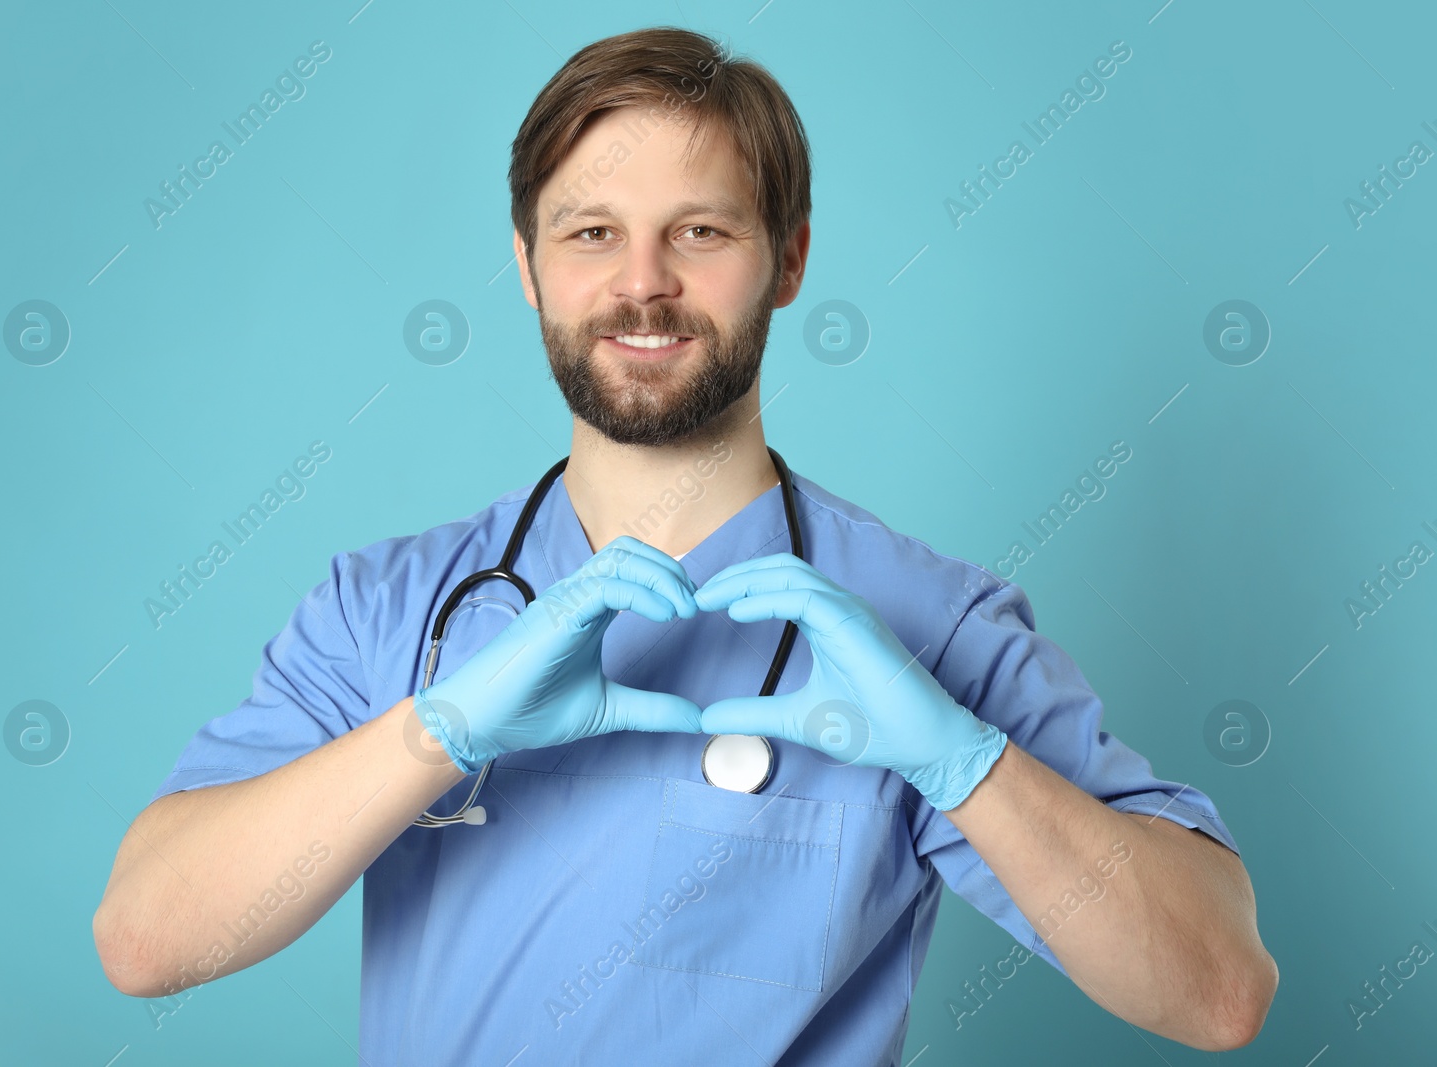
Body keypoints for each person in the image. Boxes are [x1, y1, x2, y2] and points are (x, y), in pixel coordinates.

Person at [92, 25, 1277, 1063]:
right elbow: (147, 939)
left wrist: (964, 762)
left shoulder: (929, 627)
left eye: (699, 231)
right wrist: (431, 732)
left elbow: (1218, 992)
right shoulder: (387, 609)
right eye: (591, 232)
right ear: (528, 268)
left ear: (789, 260)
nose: (642, 285)